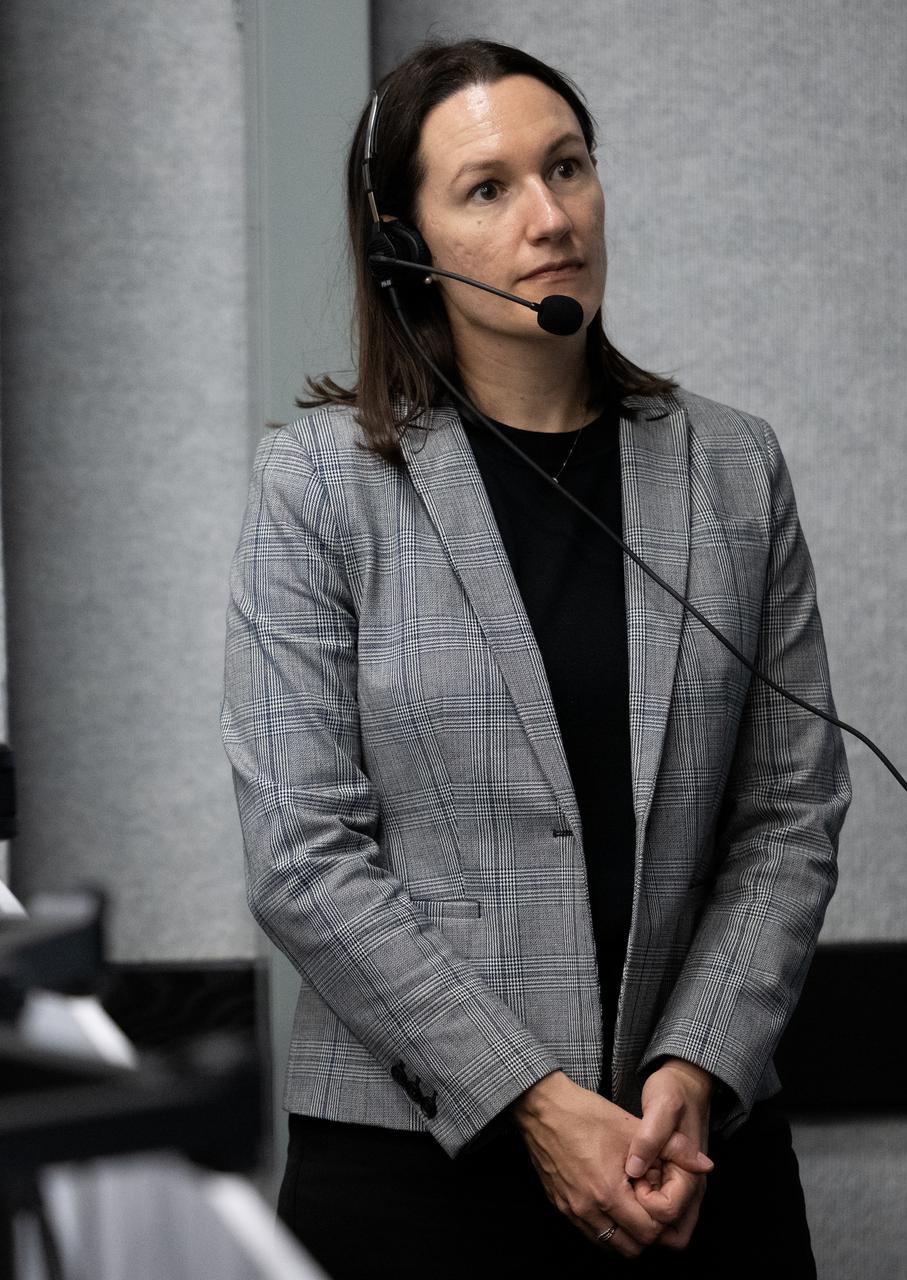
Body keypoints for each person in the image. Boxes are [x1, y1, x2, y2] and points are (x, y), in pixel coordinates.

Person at [221, 36, 851, 1279]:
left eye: (568, 167)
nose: (551, 216)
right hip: (412, 1167)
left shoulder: (732, 468)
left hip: (692, 1151)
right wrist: (534, 1098)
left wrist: (696, 1061)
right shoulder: (316, 488)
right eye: (489, 186)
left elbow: (791, 809)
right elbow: (303, 851)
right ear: (406, 244)